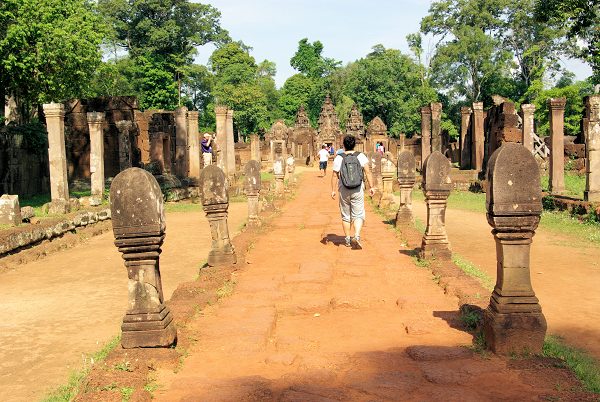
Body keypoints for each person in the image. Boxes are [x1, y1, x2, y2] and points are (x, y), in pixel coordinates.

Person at [331, 135, 376, 249]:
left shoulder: (339, 157)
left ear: (344, 145)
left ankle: (347, 239)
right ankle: (356, 235)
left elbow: (335, 175)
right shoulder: (360, 156)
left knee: (346, 215)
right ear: (355, 144)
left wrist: (333, 190)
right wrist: (371, 187)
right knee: (359, 213)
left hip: (344, 189)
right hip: (357, 188)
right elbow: (368, 172)